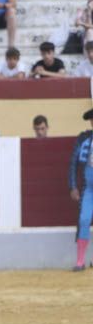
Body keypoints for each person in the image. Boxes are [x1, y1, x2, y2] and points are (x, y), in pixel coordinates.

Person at [67, 108, 93, 271]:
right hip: (88, 189)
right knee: (84, 220)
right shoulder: (84, 138)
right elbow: (73, 163)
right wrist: (73, 186)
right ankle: (80, 261)